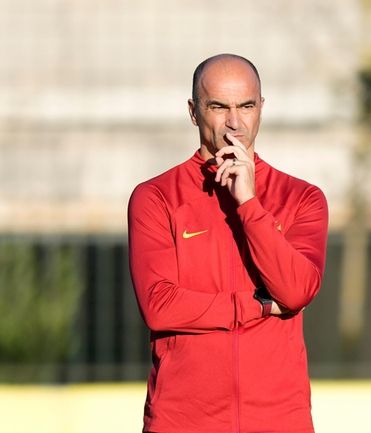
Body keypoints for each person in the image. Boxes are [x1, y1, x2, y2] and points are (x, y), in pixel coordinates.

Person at [128, 53, 328, 433]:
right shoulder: (156, 197)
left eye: (246, 106)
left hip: (279, 422)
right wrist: (256, 306)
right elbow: (160, 306)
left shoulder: (302, 197)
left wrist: (249, 203)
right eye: (219, 106)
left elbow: (298, 290)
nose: (235, 122)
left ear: (262, 108)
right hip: (182, 422)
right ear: (193, 111)